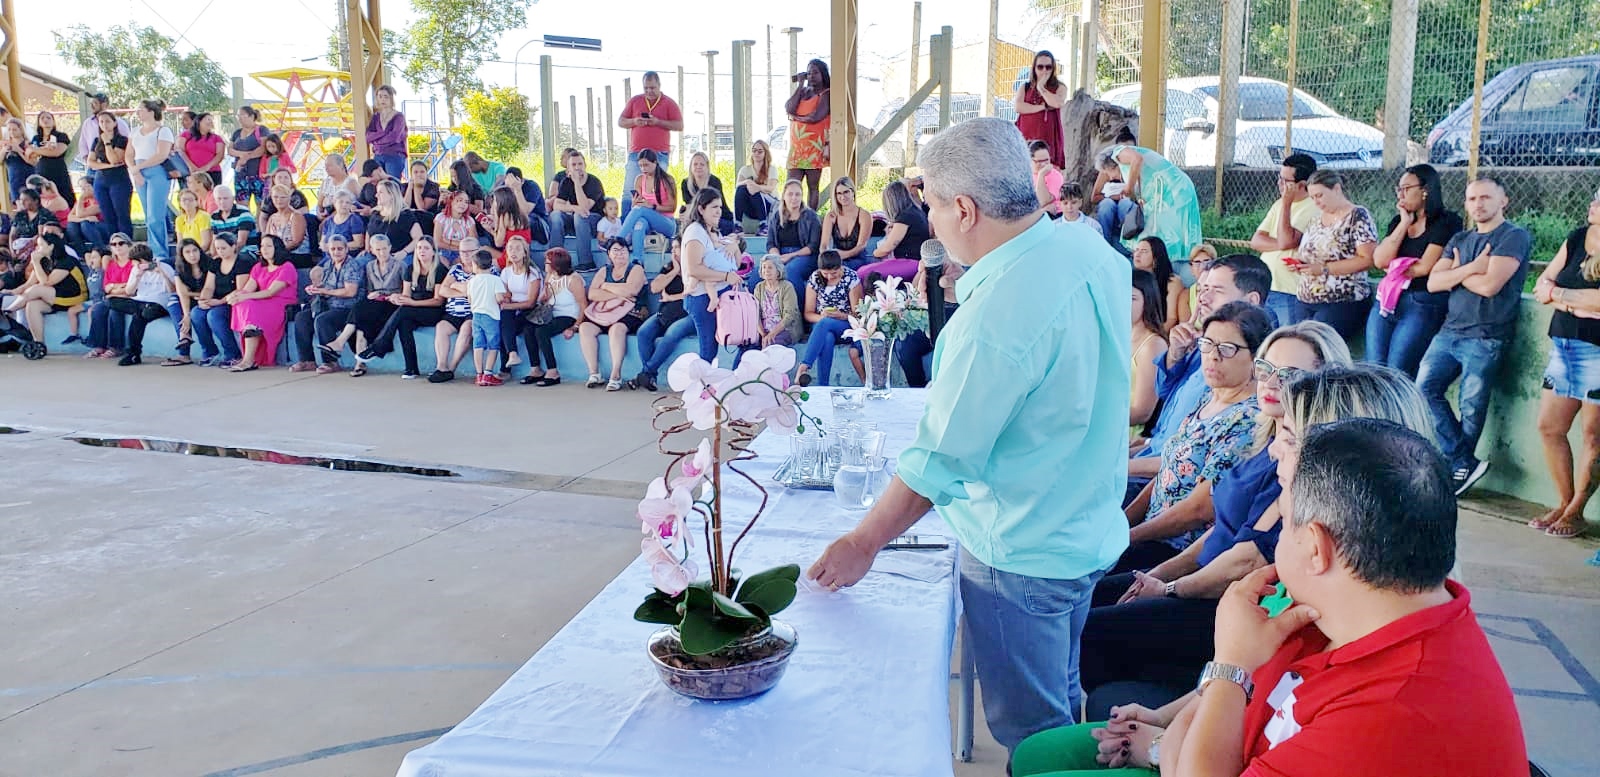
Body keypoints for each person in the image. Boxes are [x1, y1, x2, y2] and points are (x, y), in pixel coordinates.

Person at [809, 118, 1132, 754]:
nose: (930, 224)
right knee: (1064, 702)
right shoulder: (1089, 248)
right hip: (1084, 523)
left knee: (1033, 737)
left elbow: (938, 461)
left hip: (1023, 551)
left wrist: (863, 541)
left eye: (931, 206)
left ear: (964, 209)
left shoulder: (994, 316)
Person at [1018, 420, 1526, 777]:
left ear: (1315, 548)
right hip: (1223, 751)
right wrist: (1171, 738)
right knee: (1036, 756)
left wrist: (1228, 667)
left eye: (1284, 520)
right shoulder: (1348, 610)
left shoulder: (1393, 714)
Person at [1080, 326, 1357, 701]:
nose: (1271, 382)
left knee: (1090, 628)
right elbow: (1222, 528)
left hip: (1221, 602)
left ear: (1323, 382)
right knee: (1086, 599)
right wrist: (1160, 576)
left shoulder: (1303, 464)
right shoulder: (1267, 440)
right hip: (1195, 577)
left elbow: (1244, 558)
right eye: (1266, 368)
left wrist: (1168, 587)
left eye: (1289, 374)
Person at [1122, 301, 1269, 572]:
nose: (1213, 356)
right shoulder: (1210, 398)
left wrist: (1128, 537)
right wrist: (1125, 523)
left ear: (1256, 358)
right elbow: (1169, 471)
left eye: (1227, 348)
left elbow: (1199, 509)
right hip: (1149, 530)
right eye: (1207, 344)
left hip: (1176, 551)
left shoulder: (1247, 419)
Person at [1418, 177, 1531, 495]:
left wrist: (1456, 273)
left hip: (1486, 335)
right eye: (1471, 199)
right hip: (1449, 331)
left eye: (1485, 197)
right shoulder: (1460, 238)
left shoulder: (1513, 236)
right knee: (1423, 390)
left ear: (1503, 201)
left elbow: (1490, 286)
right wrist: (1473, 268)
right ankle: (1463, 461)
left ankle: (1459, 468)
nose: (1478, 204)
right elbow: (1433, 283)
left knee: (1471, 406)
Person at [1128, 255, 1272, 503]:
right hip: (1152, 462)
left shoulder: (1242, 361)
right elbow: (1165, 395)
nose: (1203, 298)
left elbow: (1191, 469)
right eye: (1203, 289)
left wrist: (1120, 466)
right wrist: (1175, 355)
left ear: (1251, 301)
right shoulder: (1204, 340)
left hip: (1161, 479)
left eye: (1216, 291)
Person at [1531, 190, 1600, 539]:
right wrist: (1577, 303)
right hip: (1564, 345)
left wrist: (1559, 296)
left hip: (1597, 351)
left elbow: (1555, 292)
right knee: (1549, 427)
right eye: (1595, 198)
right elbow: (1542, 284)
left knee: (1593, 436)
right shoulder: (1577, 237)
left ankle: (1576, 511)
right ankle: (1564, 500)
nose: (1593, 204)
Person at [1366, 163, 1462, 378]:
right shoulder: (1398, 222)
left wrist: (1393, 269)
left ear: (1425, 190)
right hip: (1388, 299)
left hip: (1422, 301)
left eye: (1406, 188)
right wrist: (1403, 224)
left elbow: (1425, 267)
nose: (1400, 194)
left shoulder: (1446, 222)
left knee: (1398, 370)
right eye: (1398, 189)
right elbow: (1379, 260)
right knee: (1374, 368)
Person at [1098, 139, 1203, 281]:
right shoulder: (1128, 167)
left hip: (1173, 191)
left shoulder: (1118, 153)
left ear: (1110, 164)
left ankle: (1171, 269)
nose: (1111, 177)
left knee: (1167, 234)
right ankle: (1166, 269)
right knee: (1162, 233)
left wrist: (1128, 187)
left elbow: (1137, 159)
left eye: (1108, 173)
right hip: (1171, 191)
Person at [1290, 170, 1376, 339]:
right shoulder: (1316, 219)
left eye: (1320, 195)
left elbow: (1368, 259)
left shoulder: (1357, 216)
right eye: (1312, 197)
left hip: (1341, 300)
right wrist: (1300, 264)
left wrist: (1325, 269)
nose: (1316, 202)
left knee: (1318, 345)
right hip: (1306, 298)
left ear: (1336, 189)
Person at [360, 237, 448, 379]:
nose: (422, 251)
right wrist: (397, 298)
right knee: (404, 323)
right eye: (419, 248)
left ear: (433, 251)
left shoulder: (440, 270)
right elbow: (406, 295)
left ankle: (378, 346)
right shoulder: (411, 269)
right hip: (414, 309)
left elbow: (438, 301)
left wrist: (412, 303)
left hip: (434, 311)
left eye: (426, 248)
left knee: (405, 311)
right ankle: (411, 368)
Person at [1250, 153, 1319, 326]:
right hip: (1267, 285)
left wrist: (1287, 204)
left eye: (1285, 181)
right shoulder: (1278, 204)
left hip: (1289, 289)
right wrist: (1280, 244)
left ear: (1302, 185)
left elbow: (1287, 240)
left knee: (1288, 336)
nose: (1279, 183)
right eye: (1279, 178)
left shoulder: (1314, 207)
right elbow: (1256, 241)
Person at [679, 189, 743, 364]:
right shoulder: (695, 231)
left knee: (746, 337)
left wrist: (734, 247)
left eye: (720, 207)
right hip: (701, 297)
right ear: (701, 209)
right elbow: (694, 269)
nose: (718, 211)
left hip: (721, 293)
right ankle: (702, 381)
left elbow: (734, 263)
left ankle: (736, 376)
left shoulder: (713, 231)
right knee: (708, 351)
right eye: (714, 207)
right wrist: (726, 276)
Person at [287, 233, 363, 373]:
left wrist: (326, 291)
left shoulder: (352, 265)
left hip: (348, 308)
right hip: (330, 305)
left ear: (346, 249)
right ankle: (307, 360)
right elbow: (325, 286)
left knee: (323, 320)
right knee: (301, 318)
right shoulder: (329, 264)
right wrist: (315, 289)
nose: (336, 252)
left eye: (340, 249)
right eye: (333, 249)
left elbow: (350, 292)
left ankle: (330, 362)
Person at [579, 238, 647, 391]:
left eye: (623, 250)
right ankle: (594, 373)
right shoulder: (604, 271)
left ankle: (616, 374)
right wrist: (618, 294)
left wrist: (605, 286)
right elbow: (592, 294)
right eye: (615, 250)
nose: (620, 254)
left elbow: (632, 291)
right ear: (609, 253)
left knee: (617, 329)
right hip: (606, 313)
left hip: (631, 312)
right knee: (585, 328)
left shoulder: (636, 269)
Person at [627, 240, 693, 391]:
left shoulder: (694, 267)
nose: (674, 251)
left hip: (689, 314)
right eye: (672, 248)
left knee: (671, 334)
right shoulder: (668, 268)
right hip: (667, 313)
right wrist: (674, 271)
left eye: (678, 247)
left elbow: (693, 293)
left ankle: (645, 374)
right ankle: (649, 377)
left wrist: (671, 297)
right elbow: (655, 288)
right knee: (643, 332)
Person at [227, 234, 299, 371]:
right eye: (262, 246)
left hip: (279, 304)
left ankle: (248, 360)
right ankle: (248, 357)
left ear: (277, 248)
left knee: (248, 305)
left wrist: (244, 297)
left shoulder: (287, 267)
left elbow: (271, 292)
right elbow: (247, 290)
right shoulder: (258, 267)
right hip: (262, 302)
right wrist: (235, 295)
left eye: (268, 246)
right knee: (241, 303)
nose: (264, 249)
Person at [104, 242, 180, 366]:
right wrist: (137, 277)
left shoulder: (164, 267)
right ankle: (133, 354)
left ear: (142, 260)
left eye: (136, 262)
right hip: (140, 302)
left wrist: (162, 274)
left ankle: (133, 354)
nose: (134, 265)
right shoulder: (135, 269)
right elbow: (129, 292)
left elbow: (174, 290)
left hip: (159, 303)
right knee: (111, 301)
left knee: (142, 314)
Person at [618, 70, 683, 216]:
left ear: (659, 85)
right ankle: (626, 223)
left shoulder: (668, 103)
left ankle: (657, 221)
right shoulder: (635, 101)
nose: (649, 91)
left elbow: (679, 125)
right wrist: (635, 121)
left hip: (659, 155)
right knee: (629, 191)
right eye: (646, 88)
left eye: (652, 88)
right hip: (636, 154)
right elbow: (621, 121)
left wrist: (658, 122)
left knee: (659, 190)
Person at [793, 251, 862, 387]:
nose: (829, 277)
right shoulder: (815, 279)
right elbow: (808, 313)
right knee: (827, 337)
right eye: (825, 274)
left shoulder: (851, 278)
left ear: (840, 267)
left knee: (825, 324)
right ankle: (823, 385)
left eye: (834, 273)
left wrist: (840, 315)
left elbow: (858, 315)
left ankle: (804, 366)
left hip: (846, 324)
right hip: (822, 325)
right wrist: (823, 317)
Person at [5, 233, 87, 347]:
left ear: (51, 246)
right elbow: (29, 284)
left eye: (40, 245)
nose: (37, 248)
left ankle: (7, 311)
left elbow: (46, 283)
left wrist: (35, 263)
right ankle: (39, 343)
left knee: (37, 289)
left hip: (75, 297)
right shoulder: (43, 261)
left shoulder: (66, 261)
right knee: (32, 305)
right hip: (56, 298)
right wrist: (11, 292)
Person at [426, 241, 491, 383]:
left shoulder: (487, 269)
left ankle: (451, 368)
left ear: (478, 251)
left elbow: (481, 291)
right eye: (462, 252)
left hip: (473, 312)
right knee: (441, 327)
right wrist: (465, 291)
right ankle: (441, 367)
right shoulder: (456, 268)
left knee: (467, 328)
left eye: (469, 251)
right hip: (453, 312)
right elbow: (443, 291)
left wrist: (455, 285)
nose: (465, 255)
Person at [897, 258, 965, 389]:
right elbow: (916, 288)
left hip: (962, 313)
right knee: (905, 345)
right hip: (932, 311)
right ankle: (918, 390)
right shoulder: (937, 256)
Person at [125, 100, 176, 260]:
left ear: (151, 112)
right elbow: (129, 154)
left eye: (141, 109)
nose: (138, 112)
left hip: (156, 170)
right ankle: (151, 250)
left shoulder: (163, 131)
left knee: (155, 215)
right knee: (148, 214)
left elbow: (161, 154)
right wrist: (135, 170)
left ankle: (160, 253)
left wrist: (139, 167)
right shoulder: (135, 131)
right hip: (139, 171)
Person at [193, 232, 251, 367]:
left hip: (234, 302)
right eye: (218, 248)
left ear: (234, 246)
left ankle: (232, 353)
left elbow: (240, 290)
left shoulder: (242, 262)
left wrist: (220, 302)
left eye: (223, 248)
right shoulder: (216, 262)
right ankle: (209, 352)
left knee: (214, 316)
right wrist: (204, 300)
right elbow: (209, 287)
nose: (220, 251)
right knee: (196, 313)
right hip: (216, 300)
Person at [858, 180, 932, 283]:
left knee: (862, 273)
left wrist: (874, 253)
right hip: (917, 261)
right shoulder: (916, 211)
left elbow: (886, 249)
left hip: (910, 262)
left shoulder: (905, 216)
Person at [735, 255, 801, 367]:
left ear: (778, 270)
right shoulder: (759, 287)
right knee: (745, 344)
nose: (766, 270)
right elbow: (755, 313)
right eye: (764, 267)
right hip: (763, 329)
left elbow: (790, 316)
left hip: (784, 329)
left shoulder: (787, 287)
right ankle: (737, 373)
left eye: (770, 267)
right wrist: (763, 334)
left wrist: (771, 334)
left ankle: (765, 375)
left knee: (771, 345)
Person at [784, 59, 831, 209]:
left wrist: (797, 118)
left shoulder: (826, 93)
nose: (811, 76)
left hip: (814, 147)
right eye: (809, 73)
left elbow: (816, 116)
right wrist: (800, 84)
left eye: (815, 72)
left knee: (812, 186)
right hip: (797, 148)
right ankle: (791, 215)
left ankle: (811, 216)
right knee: (791, 185)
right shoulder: (804, 92)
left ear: (823, 74)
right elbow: (789, 108)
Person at [547, 151, 606, 271]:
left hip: (594, 221)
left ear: (585, 165)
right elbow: (556, 205)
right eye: (573, 165)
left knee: (579, 216)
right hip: (575, 219)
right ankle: (556, 261)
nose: (577, 167)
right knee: (555, 215)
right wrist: (573, 208)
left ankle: (586, 263)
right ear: (568, 168)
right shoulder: (566, 181)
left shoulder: (594, 182)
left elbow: (584, 207)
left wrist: (577, 183)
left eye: (580, 164)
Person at [618, 148, 677, 264]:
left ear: (655, 163)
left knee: (641, 210)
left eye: (646, 165)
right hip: (646, 219)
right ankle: (638, 261)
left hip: (667, 222)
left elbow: (672, 207)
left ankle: (618, 239)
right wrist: (634, 204)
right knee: (639, 224)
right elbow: (637, 207)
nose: (643, 168)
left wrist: (652, 206)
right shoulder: (639, 179)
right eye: (640, 166)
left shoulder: (667, 179)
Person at [496, 235, 542, 379]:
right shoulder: (506, 272)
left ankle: (512, 365)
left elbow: (531, 302)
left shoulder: (532, 273)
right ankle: (512, 356)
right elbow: (507, 294)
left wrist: (508, 305)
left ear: (524, 253)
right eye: (510, 248)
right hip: (514, 309)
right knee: (504, 324)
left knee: (513, 322)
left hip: (531, 310)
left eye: (517, 248)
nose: (513, 252)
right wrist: (506, 300)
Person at [764, 179, 822, 293]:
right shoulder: (776, 216)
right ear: (784, 196)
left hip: (805, 256)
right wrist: (777, 257)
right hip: (780, 254)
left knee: (790, 270)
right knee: (759, 273)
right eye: (790, 194)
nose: (794, 198)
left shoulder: (810, 217)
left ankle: (799, 304)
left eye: (797, 194)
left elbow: (813, 246)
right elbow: (771, 243)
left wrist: (791, 256)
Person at [82, 234, 135, 358]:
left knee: (114, 311)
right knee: (98, 309)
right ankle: (98, 346)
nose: (117, 246)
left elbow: (131, 288)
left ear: (128, 245)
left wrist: (114, 287)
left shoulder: (133, 264)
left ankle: (116, 347)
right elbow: (106, 287)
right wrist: (120, 287)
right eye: (113, 244)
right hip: (113, 298)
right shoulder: (111, 265)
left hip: (130, 299)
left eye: (121, 243)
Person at [1129, 269, 1169, 428]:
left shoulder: (1152, 345)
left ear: (1147, 301)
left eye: (1131, 298)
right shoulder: (1119, 336)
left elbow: (1142, 412)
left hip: (1129, 432)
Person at [1014, 50, 1068, 169]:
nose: (1044, 71)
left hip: (1048, 137)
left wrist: (1041, 87)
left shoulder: (1059, 87)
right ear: (1034, 68)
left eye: (1048, 67)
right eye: (1040, 67)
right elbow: (1018, 107)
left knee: (1049, 171)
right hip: (1026, 137)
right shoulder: (1025, 87)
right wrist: (1042, 107)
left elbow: (1056, 103)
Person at [465, 249, 510, 386]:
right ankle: (488, 374)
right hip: (491, 316)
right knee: (493, 346)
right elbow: (499, 298)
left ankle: (479, 374)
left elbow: (470, 300)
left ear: (475, 265)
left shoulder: (471, 281)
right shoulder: (496, 280)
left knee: (478, 345)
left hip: (476, 315)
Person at [87, 112, 134, 240]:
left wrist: (107, 142)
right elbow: (91, 162)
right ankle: (113, 242)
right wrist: (106, 166)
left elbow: (114, 159)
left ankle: (126, 241)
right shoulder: (96, 141)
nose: (104, 124)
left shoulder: (122, 140)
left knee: (121, 214)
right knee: (107, 215)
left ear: (114, 123)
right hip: (101, 180)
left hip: (119, 180)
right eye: (101, 122)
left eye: (107, 121)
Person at [820, 176, 873, 271]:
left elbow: (861, 245)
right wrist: (826, 257)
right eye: (839, 193)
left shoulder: (864, 215)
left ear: (853, 192)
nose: (843, 197)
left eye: (846, 192)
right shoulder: (831, 216)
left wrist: (844, 255)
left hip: (858, 259)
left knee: (840, 269)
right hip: (836, 259)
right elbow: (824, 244)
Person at [74, 94, 128, 187]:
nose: (92, 106)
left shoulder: (119, 123)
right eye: (91, 103)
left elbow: (127, 143)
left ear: (104, 105)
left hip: (115, 168)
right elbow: (83, 143)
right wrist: (88, 160)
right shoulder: (88, 123)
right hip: (94, 168)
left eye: (95, 103)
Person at [1131, 237, 1182, 334]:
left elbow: (1171, 319)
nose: (1137, 254)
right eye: (1136, 250)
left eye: (1144, 251)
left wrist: (1154, 337)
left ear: (1156, 257)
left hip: (1159, 332)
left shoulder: (1172, 282)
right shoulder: (1130, 279)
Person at [679, 151, 736, 234]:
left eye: (702, 164)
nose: (698, 167)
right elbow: (689, 206)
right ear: (691, 167)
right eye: (695, 164)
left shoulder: (714, 181)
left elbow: (714, 207)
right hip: (698, 217)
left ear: (707, 167)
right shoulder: (685, 183)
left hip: (719, 218)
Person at [366, 179, 424, 261]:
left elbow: (418, 237)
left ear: (391, 195)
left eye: (380, 192)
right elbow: (368, 232)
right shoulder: (375, 214)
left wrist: (404, 252)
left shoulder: (405, 215)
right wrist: (367, 248)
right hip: (375, 255)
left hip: (398, 255)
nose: (376, 195)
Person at [27, 110, 73, 207]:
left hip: (58, 172)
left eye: (48, 118)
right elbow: (29, 154)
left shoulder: (61, 136)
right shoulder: (36, 138)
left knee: (65, 199)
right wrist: (45, 148)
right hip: (41, 173)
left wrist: (36, 150)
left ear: (53, 121)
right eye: (42, 118)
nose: (45, 120)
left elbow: (57, 152)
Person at [228, 105, 268, 208]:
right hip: (241, 174)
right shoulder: (237, 133)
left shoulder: (262, 130)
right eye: (238, 116)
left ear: (251, 116)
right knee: (242, 203)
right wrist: (241, 155)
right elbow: (230, 150)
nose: (239, 118)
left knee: (261, 203)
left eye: (242, 115)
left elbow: (263, 148)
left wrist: (247, 157)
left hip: (258, 173)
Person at [366, 85, 409, 180]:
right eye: (380, 96)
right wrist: (383, 133)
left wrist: (377, 140)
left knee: (392, 183)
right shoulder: (376, 117)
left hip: (394, 155)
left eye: (386, 96)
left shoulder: (399, 117)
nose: (383, 99)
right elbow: (368, 136)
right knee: (378, 183)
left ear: (391, 98)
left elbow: (395, 137)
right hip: (378, 155)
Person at [483, 186, 532, 267]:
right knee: (484, 249)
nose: (493, 203)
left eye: (494, 200)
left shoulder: (505, 216)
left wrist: (490, 229)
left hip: (510, 259)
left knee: (481, 262)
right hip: (521, 256)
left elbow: (499, 243)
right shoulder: (521, 213)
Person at [734, 140, 778, 228]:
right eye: (754, 151)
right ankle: (737, 224)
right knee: (742, 188)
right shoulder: (745, 169)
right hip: (751, 206)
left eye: (760, 151)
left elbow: (770, 188)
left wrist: (756, 187)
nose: (756, 153)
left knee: (754, 189)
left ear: (765, 153)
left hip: (769, 204)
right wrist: (747, 182)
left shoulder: (771, 169)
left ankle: (764, 224)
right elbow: (738, 185)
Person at [1174, 243, 1219, 326]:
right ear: (1191, 268)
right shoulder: (1185, 296)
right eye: (1197, 262)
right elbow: (1185, 328)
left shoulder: (1222, 291)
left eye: (1207, 261)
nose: (1202, 266)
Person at [178, 112, 226, 187]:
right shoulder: (186, 135)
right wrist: (191, 166)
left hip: (212, 172)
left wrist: (206, 167)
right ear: (199, 121)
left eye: (212, 120)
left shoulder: (217, 138)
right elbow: (180, 150)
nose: (211, 122)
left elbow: (220, 155)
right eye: (208, 119)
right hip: (190, 172)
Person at [66, 178, 109, 252]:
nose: (83, 190)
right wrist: (85, 218)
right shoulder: (82, 201)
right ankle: (82, 252)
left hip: (104, 228)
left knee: (85, 224)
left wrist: (81, 198)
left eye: (86, 186)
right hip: (88, 230)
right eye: (81, 187)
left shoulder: (100, 199)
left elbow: (80, 214)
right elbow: (69, 217)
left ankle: (102, 249)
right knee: (71, 225)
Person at [319, 190, 366, 255]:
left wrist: (335, 246)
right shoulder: (328, 221)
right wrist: (323, 245)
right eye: (341, 202)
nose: (344, 205)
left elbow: (359, 243)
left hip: (347, 255)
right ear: (334, 203)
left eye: (347, 202)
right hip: (329, 255)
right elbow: (323, 241)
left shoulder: (354, 220)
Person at [434, 190, 473, 262]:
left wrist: (449, 241)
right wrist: (458, 246)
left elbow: (472, 243)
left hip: (463, 253)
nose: (463, 204)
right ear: (451, 202)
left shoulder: (469, 220)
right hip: (443, 252)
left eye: (466, 202)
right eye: (459, 200)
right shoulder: (441, 217)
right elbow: (437, 242)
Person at [1029, 140, 1065, 217]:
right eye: (1039, 161)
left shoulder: (1055, 175)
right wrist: (1041, 210)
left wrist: (1041, 175)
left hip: (1053, 215)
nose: (1043, 164)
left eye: (1046, 160)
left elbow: (1043, 201)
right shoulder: (1026, 175)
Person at [2, 118, 29, 203]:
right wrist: (4, 151)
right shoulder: (6, 144)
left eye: (14, 129)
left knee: (30, 202)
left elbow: (32, 162)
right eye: (9, 129)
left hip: (27, 176)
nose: (11, 132)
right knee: (18, 203)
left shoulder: (27, 143)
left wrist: (18, 150)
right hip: (13, 178)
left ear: (21, 130)